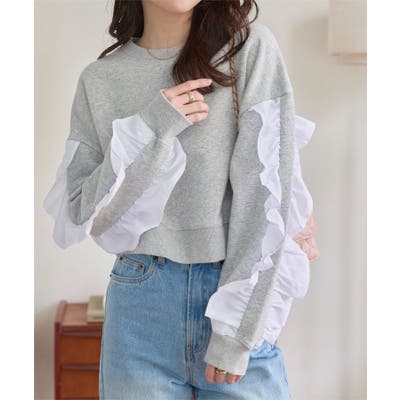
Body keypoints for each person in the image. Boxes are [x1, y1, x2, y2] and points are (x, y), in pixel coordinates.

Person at [43, 0, 319, 398]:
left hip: (231, 294)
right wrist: (151, 129)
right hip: (139, 309)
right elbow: (86, 214)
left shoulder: (248, 51)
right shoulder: (99, 80)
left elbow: (264, 200)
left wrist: (237, 334)